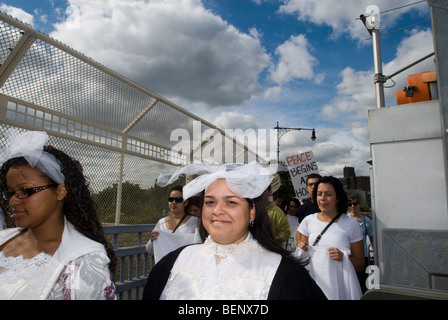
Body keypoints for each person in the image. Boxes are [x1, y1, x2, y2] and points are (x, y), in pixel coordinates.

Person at [142, 162, 327, 300]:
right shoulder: (171, 263)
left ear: (252, 211)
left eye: (231, 202)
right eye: (210, 202)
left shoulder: (285, 273)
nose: (217, 210)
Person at [0, 130, 116, 300]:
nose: (12, 202)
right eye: (10, 193)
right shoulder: (3, 238)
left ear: (60, 191)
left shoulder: (83, 260)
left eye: (25, 191)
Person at [295, 176, 364, 300]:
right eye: (319, 194)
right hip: (313, 286)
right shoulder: (308, 221)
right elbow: (301, 257)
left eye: (328, 194)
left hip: (340, 289)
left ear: (337, 198)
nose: (322, 198)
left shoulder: (351, 224)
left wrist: (344, 258)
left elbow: (360, 264)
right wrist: (300, 249)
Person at [145, 185, 201, 264]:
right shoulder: (161, 223)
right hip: (164, 269)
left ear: (186, 202)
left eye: (178, 200)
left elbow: (199, 247)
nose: (173, 203)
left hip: (183, 269)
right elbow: (150, 250)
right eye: (171, 199)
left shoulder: (194, 222)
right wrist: (152, 240)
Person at [347, 195, 373, 294]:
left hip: (363, 256)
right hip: (348, 256)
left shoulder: (367, 221)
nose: (353, 206)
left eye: (355, 204)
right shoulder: (345, 219)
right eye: (350, 204)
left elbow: (371, 239)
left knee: (361, 283)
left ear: (359, 204)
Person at [263, 175, 290, 244]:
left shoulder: (278, 213)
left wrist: (272, 241)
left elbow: (286, 233)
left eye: (263, 189)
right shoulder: (251, 210)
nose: (260, 192)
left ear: (270, 192)